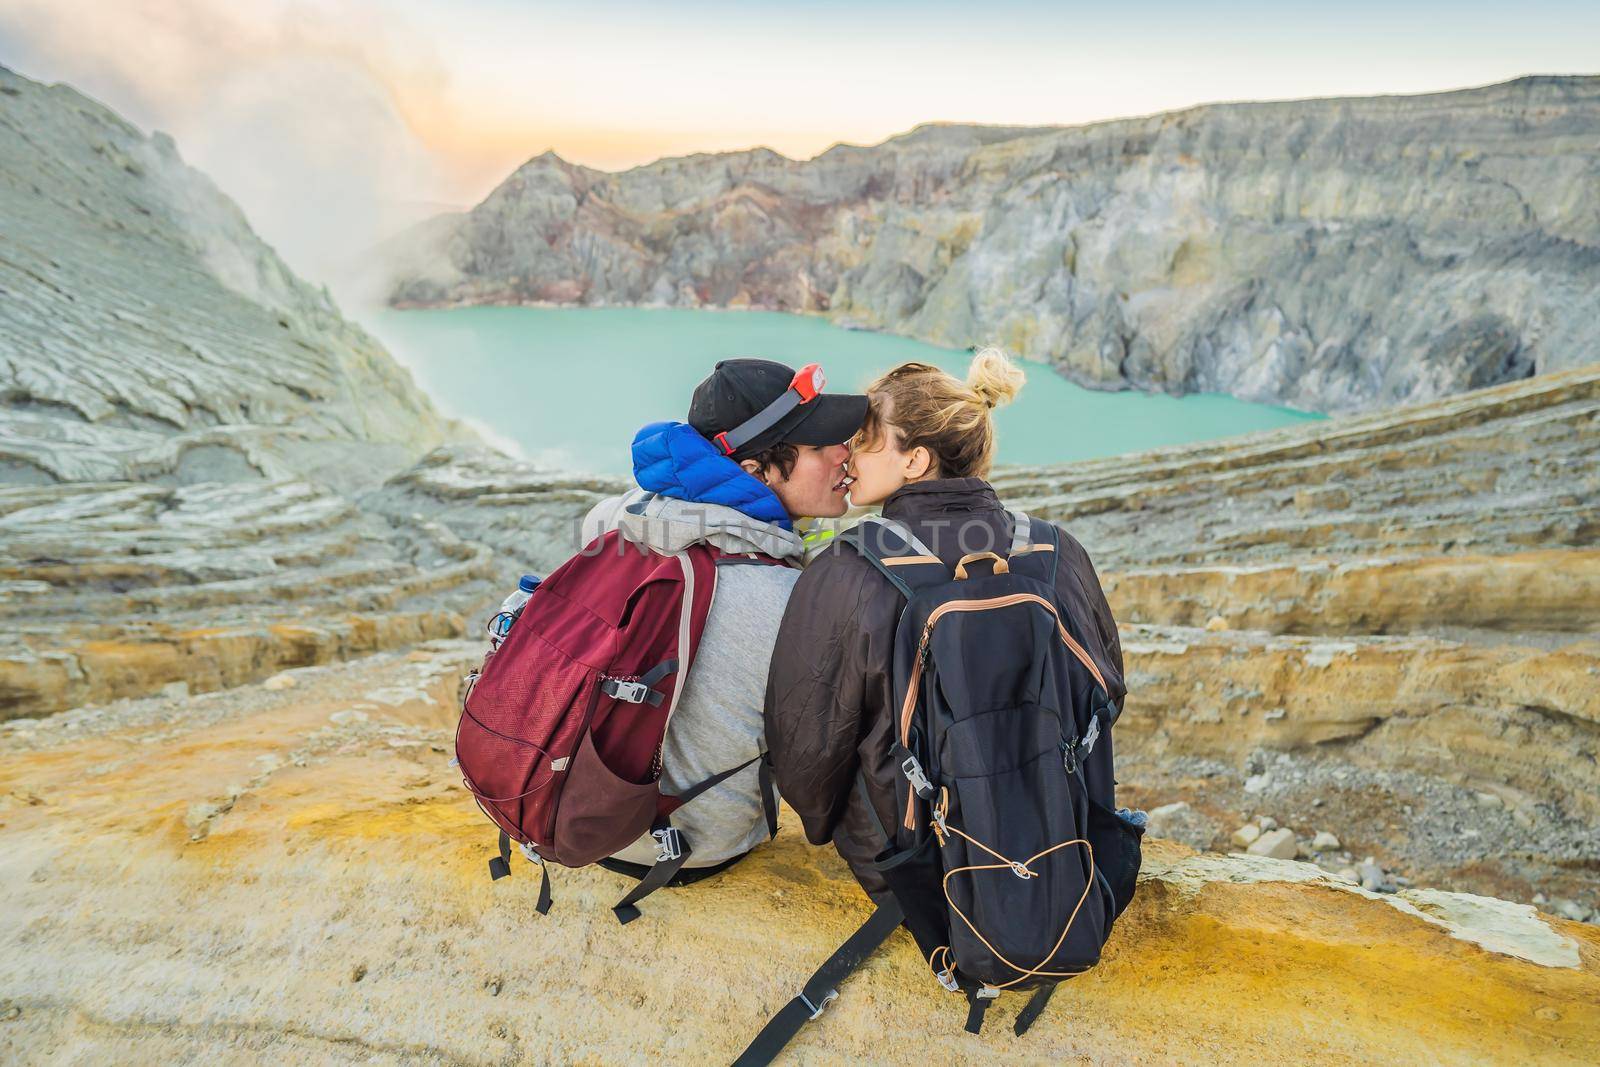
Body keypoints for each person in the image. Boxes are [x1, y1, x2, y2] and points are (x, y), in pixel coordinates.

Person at [762, 348, 1126, 901]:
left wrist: (826, 825)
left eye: (864, 438)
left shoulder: (850, 566)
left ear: (914, 461)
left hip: (915, 872)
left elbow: (804, 756)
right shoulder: (1054, 548)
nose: (847, 455)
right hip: (1058, 847)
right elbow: (1107, 692)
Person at [581, 358, 867, 880]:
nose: (844, 454)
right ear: (755, 468)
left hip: (585, 813)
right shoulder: (785, 595)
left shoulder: (611, 522)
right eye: (820, 446)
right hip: (701, 843)